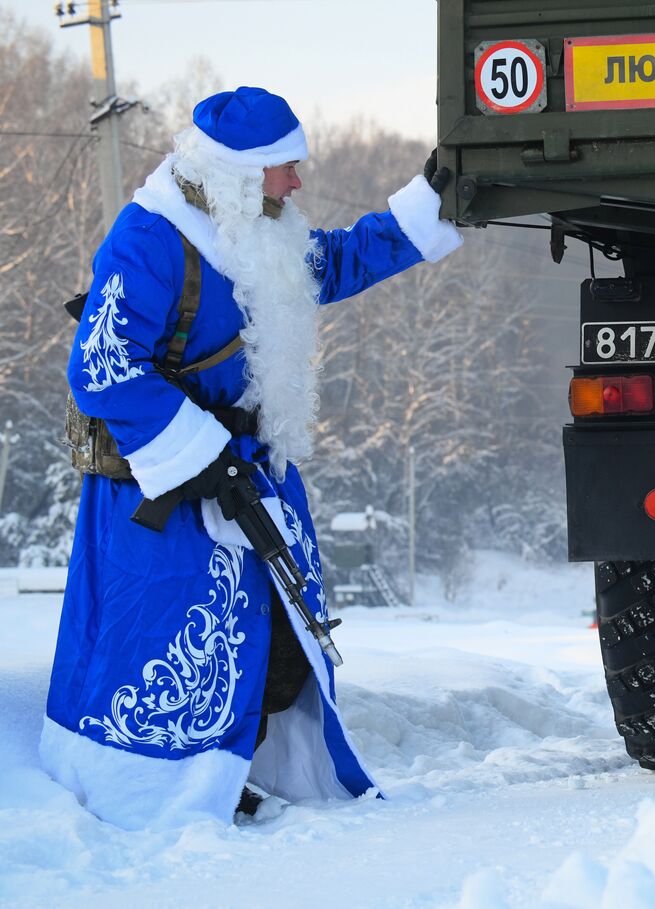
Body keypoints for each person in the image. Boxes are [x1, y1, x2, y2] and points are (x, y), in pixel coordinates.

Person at [42, 87, 463, 829]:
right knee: (165, 651)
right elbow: (101, 366)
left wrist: (429, 202)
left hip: (244, 478)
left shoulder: (258, 227)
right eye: (284, 169)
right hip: (164, 494)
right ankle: (149, 796)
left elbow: (335, 262)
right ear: (239, 173)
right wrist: (197, 452)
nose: (297, 183)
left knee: (267, 643)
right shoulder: (150, 237)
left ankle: (235, 773)